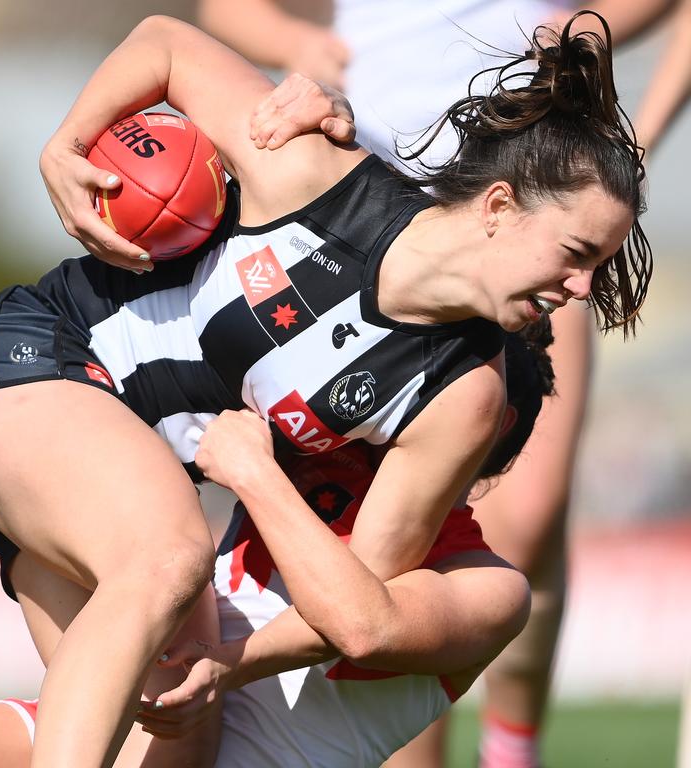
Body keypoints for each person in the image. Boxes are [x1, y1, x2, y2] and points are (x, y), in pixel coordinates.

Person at [0, 12, 647, 767]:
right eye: (576, 253)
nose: (581, 289)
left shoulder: (464, 399)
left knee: (177, 744)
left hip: (125, 477)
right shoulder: (316, 173)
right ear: (498, 207)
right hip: (38, 356)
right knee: (168, 559)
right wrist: (66, 145)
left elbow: (357, 601)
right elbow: (166, 44)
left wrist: (225, 665)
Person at [199, 2, 686, 765]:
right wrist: (304, 46)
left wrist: (627, 138)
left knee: (521, 521)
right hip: (378, 217)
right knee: (388, 551)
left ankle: (510, 749)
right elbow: (213, 15)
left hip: (536, 222)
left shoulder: (565, 252)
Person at [0, 325, 555, 768]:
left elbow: (360, 623)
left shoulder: (489, 590)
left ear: (483, 423)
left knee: (170, 565)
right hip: (119, 737)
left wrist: (253, 478)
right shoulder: (299, 462)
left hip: (185, 744)